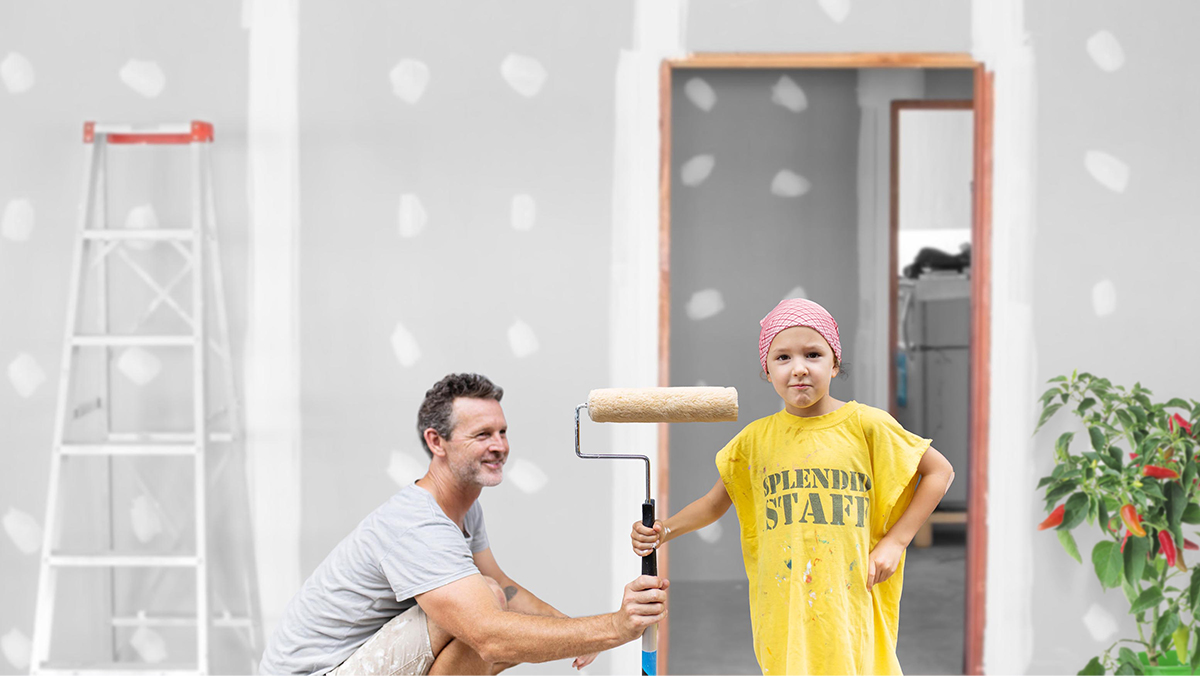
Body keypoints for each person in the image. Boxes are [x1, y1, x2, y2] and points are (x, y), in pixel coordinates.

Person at [261, 373, 668, 675]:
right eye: (482, 434)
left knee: (489, 596)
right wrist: (613, 627)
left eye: (502, 432)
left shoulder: (462, 508)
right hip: (317, 672)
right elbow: (490, 635)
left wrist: (567, 627)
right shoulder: (416, 525)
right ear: (436, 442)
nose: (500, 446)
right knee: (485, 615)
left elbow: (503, 584)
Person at [631, 298, 954, 675]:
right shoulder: (754, 440)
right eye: (782, 358)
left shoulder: (867, 426)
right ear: (767, 371)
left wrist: (896, 541)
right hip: (784, 603)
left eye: (813, 354)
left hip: (851, 600)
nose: (798, 369)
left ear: (834, 364)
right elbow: (714, 503)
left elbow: (939, 472)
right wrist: (662, 531)